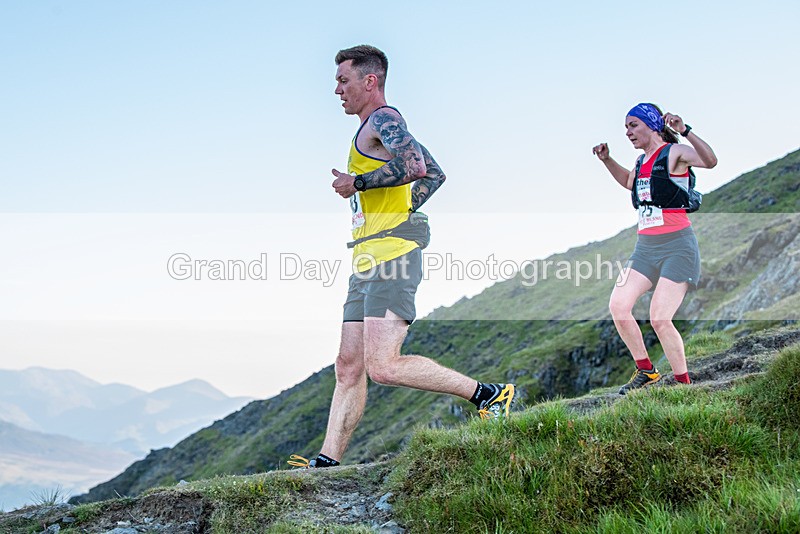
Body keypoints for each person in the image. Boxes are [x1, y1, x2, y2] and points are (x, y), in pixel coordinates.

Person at [289, 45, 515, 469]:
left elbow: (413, 165)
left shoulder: (383, 119)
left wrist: (358, 182)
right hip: (367, 259)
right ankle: (327, 463)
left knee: (384, 366)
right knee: (348, 365)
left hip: (392, 258)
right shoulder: (371, 128)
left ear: (369, 81)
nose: (336, 89)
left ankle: (488, 394)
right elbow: (434, 172)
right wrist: (407, 209)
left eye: (343, 80)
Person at [592, 103, 717, 395]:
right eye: (625, 127)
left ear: (651, 125)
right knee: (619, 306)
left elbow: (710, 161)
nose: (627, 132)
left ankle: (684, 386)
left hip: (678, 247)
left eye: (633, 125)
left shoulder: (673, 153)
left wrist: (684, 130)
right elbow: (628, 182)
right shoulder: (639, 162)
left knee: (660, 317)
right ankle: (647, 371)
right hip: (645, 248)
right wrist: (607, 160)